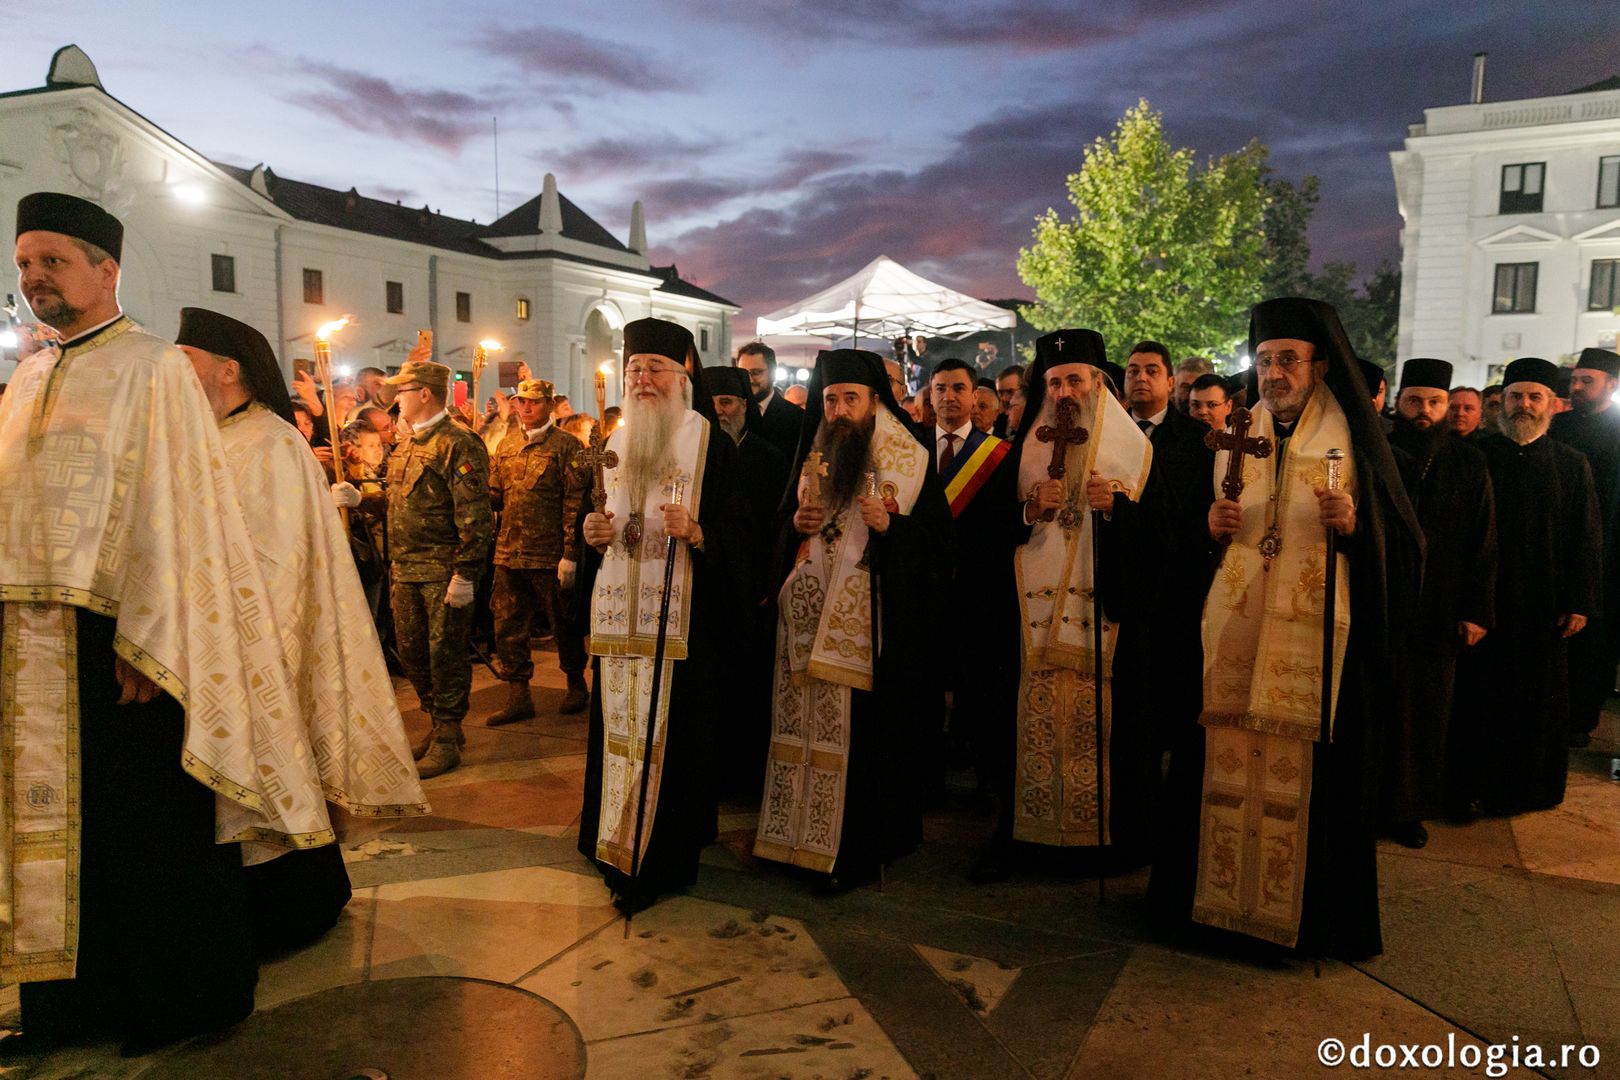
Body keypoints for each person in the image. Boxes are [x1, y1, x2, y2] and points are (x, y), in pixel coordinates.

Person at [0, 193, 329, 1054]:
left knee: (146, 826)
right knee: (59, 828)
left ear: (106, 270)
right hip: (35, 639)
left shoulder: (152, 369)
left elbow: (180, 512)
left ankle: (179, 999)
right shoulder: (30, 373)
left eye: (53, 261)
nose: (34, 277)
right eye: (24, 261)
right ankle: (71, 1005)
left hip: (128, 639)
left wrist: (156, 637)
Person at [179, 307, 429, 955]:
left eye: (188, 363)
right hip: (204, 639)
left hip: (255, 639)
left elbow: (269, 557)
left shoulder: (268, 441)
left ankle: (288, 907)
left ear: (227, 370)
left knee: (269, 774)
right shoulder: (208, 437)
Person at [1183, 296, 1422, 960]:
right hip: (1237, 630)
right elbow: (1200, 542)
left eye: (1288, 358)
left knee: (1315, 782)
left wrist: (1355, 526)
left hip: (1321, 645)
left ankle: (1310, 922)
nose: (1274, 372)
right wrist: (1208, 530)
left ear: (1320, 365)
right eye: (1263, 359)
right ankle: (1218, 909)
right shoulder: (1236, 431)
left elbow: (1404, 547)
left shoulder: (1357, 439)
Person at [755, 349, 951, 891]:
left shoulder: (908, 459)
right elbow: (783, 535)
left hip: (871, 627)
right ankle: (794, 839)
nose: (839, 410)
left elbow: (937, 549)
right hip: (808, 618)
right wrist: (797, 522)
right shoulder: (815, 451)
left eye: (850, 399)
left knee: (862, 745)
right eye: (831, 399)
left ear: (874, 403)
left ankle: (854, 850)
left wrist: (893, 530)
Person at [577, 318, 750, 913]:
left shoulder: (713, 445)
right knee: (615, 736)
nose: (643, 379)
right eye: (633, 370)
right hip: (619, 626)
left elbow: (746, 536)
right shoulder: (614, 443)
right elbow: (595, 523)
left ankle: (662, 856)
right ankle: (609, 841)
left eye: (655, 369)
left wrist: (701, 533)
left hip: (685, 632)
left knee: (675, 746)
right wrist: (590, 532)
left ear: (685, 375)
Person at [986, 330, 1156, 878]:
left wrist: (1119, 513)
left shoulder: (1135, 450)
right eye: (1054, 381)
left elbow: (1164, 543)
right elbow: (990, 532)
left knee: (1108, 730)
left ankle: (1105, 844)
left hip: (1104, 617)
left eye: (1074, 379)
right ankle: (1033, 840)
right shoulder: (1023, 449)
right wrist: (1029, 510)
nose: (1063, 391)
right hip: (1030, 623)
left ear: (1098, 383)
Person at [1463, 358, 1601, 815]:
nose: (1524, 404)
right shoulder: (1478, 455)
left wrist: (1580, 600)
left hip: (1544, 606)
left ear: (1552, 405)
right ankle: (1474, 786)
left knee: (1536, 703)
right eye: (1516, 396)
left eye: (1534, 397)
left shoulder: (1571, 463)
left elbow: (1586, 537)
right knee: (1481, 698)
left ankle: (1529, 789)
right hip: (1487, 601)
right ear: (1501, 403)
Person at [1379, 359, 1496, 849]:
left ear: (1447, 406)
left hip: (1441, 610)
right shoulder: (1378, 451)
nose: (1423, 411)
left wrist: (1476, 610)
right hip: (1383, 605)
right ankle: (1369, 803)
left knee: (1427, 713)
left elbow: (1484, 540)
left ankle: (1409, 809)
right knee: (1379, 709)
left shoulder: (1468, 462)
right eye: (1414, 401)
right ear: (1398, 403)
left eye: (1433, 402)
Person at [372, 351, 494, 778]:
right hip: (404, 570)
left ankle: (447, 736)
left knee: (446, 655)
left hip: (443, 571)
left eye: (401, 392)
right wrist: (361, 498)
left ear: (424, 393)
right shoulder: (407, 442)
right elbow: (398, 499)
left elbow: (475, 514)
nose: (395, 401)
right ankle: (438, 722)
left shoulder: (459, 442)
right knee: (412, 654)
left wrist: (466, 573)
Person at [927, 359, 1019, 815]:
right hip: (923, 592)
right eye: (940, 388)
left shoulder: (998, 455)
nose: (949, 397)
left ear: (974, 397)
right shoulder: (909, 452)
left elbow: (1004, 524)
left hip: (977, 593)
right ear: (929, 394)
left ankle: (987, 782)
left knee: (980, 690)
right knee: (924, 690)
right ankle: (926, 782)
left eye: (958, 388)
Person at [703, 365, 789, 793]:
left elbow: (777, 530)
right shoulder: (695, 454)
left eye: (728, 402)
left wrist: (768, 585)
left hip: (752, 589)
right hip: (707, 585)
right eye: (713, 402)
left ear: (743, 407)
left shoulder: (768, 457)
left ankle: (746, 774)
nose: (719, 411)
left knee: (749, 682)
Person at [485, 378, 592, 723]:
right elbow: (495, 494)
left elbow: (574, 503)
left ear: (547, 404)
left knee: (564, 624)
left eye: (533, 402)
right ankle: (519, 694)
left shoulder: (567, 446)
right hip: (510, 552)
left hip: (548, 554)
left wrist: (570, 553)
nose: (526, 408)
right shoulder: (507, 445)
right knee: (507, 624)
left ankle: (576, 683)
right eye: (521, 402)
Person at [1550, 348, 1620, 747]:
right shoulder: (1558, 428)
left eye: (1586, 381)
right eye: (1575, 380)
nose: (1575, 387)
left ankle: (1581, 720)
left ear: (1611, 384)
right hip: (1560, 551)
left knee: (1596, 646)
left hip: (1610, 557)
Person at [736, 341, 801, 460]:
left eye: (756, 373)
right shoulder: (731, 413)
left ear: (773, 372)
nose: (749, 379)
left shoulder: (797, 418)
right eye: (743, 373)